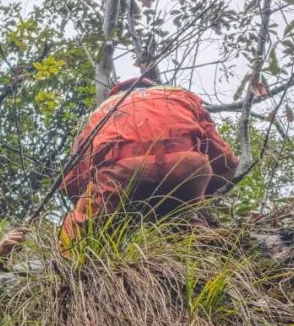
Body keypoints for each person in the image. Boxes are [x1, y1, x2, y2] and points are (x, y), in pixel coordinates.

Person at [59, 77, 239, 246]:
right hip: (188, 168)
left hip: (124, 175)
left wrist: (87, 199)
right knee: (183, 218)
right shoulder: (179, 96)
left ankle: (70, 272)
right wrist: (210, 188)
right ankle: (204, 246)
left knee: (79, 227)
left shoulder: (102, 112)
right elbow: (223, 157)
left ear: (116, 94)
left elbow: (74, 180)